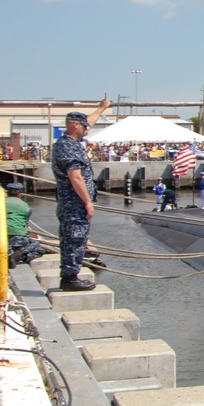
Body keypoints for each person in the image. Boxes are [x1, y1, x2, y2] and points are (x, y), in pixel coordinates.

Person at [52, 96, 112, 291]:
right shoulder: (68, 147)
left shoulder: (69, 142)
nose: (88, 128)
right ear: (75, 125)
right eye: (84, 126)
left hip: (72, 203)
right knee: (74, 238)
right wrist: (88, 202)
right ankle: (70, 278)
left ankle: (71, 275)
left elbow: (89, 121)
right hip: (74, 203)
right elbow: (75, 177)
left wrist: (101, 108)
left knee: (76, 237)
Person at [5, 182, 44, 267]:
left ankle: (11, 256)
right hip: (19, 238)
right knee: (38, 247)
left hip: (3, 239)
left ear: (7, 193)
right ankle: (19, 255)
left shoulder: (2, 202)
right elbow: (25, 224)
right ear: (19, 194)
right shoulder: (26, 207)